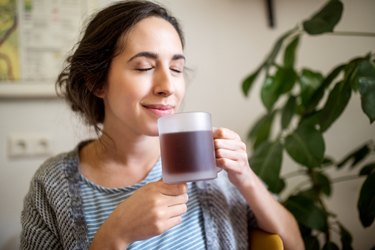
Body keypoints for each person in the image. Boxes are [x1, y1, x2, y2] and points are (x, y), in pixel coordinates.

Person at [20, 1, 304, 249]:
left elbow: (294, 245)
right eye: (144, 67)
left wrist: (246, 178)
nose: (168, 86)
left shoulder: (205, 165)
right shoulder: (52, 185)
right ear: (96, 82)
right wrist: (115, 234)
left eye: (177, 69)